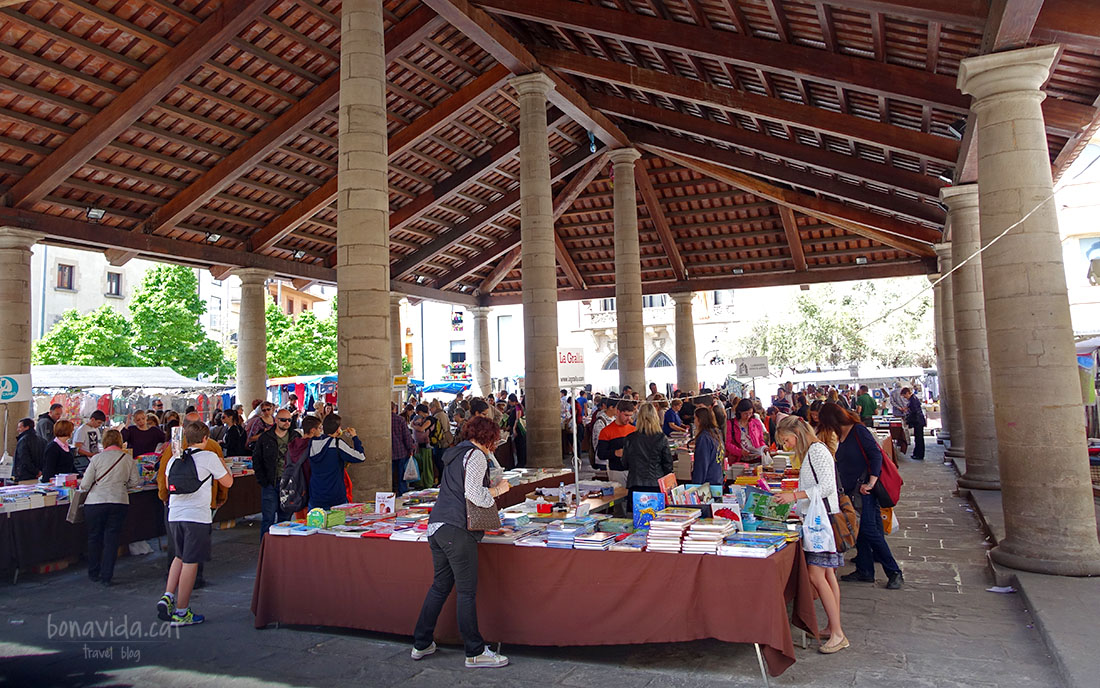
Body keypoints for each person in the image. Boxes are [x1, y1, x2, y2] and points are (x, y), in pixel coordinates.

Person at [411, 416, 513, 669]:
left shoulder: (455, 454)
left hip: (438, 526)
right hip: (456, 529)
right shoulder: (476, 456)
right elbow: (473, 493)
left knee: (440, 586)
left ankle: (421, 642)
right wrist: (499, 490)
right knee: (466, 592)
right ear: (488, 437)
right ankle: (475, 651)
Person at [773, 416, 847, 653]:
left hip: (821, 524)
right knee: (827, 576)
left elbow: (826, 487)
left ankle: (838, 634)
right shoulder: (814, 451)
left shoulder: (816, 451)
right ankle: (833, 626)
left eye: (786, 440)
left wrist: (794, 496)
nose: (787, 446)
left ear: (796, 433)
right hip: (819, 521)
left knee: (817, 576)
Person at [817, 403, 903, 590]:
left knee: (870, 531)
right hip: (852, 491)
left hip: (864, 490)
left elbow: (875, 456)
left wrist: (871, 483)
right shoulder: (842, 435)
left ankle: (894, 571)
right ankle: (865, 570)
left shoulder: (858, 431)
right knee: (860, 531)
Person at [157, 422, 234, 626]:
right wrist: (221, 463)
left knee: (179, 556)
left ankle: (168, 595)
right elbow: (228, 482)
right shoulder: (208, 457)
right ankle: (182, 612)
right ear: (205, 438)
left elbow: (167, 485)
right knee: (191, 562)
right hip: (197, 516)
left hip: (175, 515)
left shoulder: (174, 458)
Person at [80, 429, 142, 586]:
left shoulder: (96, 458)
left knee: (94, 538)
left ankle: (93, 572)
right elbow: (135, 482)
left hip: (95, 502)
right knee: (111, 539)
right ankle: (107, 575)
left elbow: (85, 484)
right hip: (118, 501)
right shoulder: (127, 459)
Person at [253, 409, 300, 535]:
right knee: (268, 518)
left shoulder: (295, 437)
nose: (287, 423)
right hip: (271, 483)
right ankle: (265, 549)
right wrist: (262, 480)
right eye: (283, 420)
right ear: (276, 420)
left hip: (289, 483)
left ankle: (282, 549)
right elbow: (257, 459)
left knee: (285, 519)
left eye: (289, 420)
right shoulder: (265, 437)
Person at [308, 414, 366, 510]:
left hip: (316, 495)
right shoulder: (337, 443)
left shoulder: (312, 443)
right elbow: (361, 457)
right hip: (335, 497)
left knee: (316, 523)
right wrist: (355, 437)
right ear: (338, 429)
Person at [622, 403, 674, 502]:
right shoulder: (661, 438)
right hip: (656, 484)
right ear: (655, 418)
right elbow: (668, 464)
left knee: (636, 516)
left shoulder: (630, 438)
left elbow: (624, 463)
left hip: (635, 484)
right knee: (656, 515)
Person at [597, 400, 636, 487]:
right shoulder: (606, 431)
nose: (628, 418)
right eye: (626, 415)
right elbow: (601, 454)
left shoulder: (634, 430)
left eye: (630, 415)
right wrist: (615, 453)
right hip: (616, 471)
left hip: (633, 470)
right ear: (618, 412)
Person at [726, 399, 767, 464]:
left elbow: (761, 440)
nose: (748, 416)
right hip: (739, 461)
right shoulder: (731, 424)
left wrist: (764, 447)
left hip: (757, 458)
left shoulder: (756, 423)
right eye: (745, 414)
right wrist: (740, 451)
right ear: (739, 412)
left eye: (750, 413)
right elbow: (728, 444)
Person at [691, 406, 723, 485]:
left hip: (707, 483)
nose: (694, 421)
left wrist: (696, 485)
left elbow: (701, 465)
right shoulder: (717, 433)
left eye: (695, 418)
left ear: (700, 420)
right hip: (717, 479)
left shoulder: (704, 438)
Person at [392, 402, 416, 495]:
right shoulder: (400, 420)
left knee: (391, 476)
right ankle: (402, 494)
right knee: (402, 475)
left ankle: (392, 492)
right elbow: (406, 436)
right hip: (400, 452)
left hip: (388, 453)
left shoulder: (382, 420)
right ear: (394, 409)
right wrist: (411, 448)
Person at [410, 404, 436, 488]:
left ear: (421, 411)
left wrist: (413, 426)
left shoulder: (430, 419)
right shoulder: (422, 419)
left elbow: (421, 429)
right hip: (418, 446)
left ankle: (428, 483)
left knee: (427, 466)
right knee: (420, 465)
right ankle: (420, 483)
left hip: (426, 446)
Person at [13, 418, 44, 483]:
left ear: (27, 427)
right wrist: (39, 471)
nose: (18, 430)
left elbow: (24, 459)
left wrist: (35, 471)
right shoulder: (41, 440)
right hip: (36, 475)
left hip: (24, 475)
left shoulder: (23, 440)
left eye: (20, 427)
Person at [901, 387, 926, 460]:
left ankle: (919, 454)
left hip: (918, 421)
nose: (905, 398)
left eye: (904, 396)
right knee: (918, 438)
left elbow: (914, 412)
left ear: (907, 393)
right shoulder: (913, 399)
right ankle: (917, 453)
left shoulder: (913, 400)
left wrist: (908, 417)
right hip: (918, 421)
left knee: (919, 439)